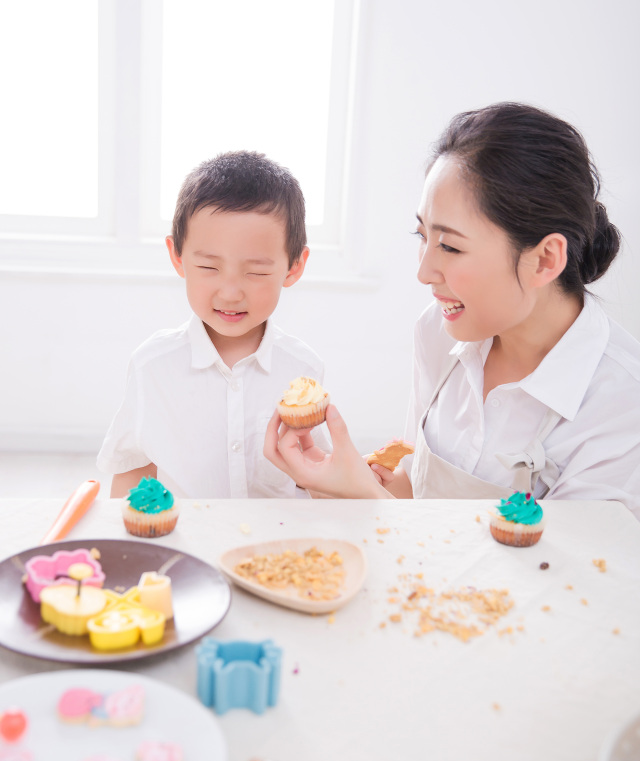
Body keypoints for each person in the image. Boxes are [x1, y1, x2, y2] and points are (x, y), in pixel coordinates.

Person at [264, 103, 640, 517]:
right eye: (422, 235)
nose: (424, 272)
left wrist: (364, 499)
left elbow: (566, 575)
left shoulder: (621, 400)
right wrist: (349, 484)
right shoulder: (438, 331)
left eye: (450, 246)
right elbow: (419, 500)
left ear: (546, 259)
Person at [98, 150, 328, 499]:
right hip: (185, 543)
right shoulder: (152, 366)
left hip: (274, 547)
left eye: (256, 272)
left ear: (294, 267)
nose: (231, 292)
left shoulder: (303, 369)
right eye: (209, 268)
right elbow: (134, 469)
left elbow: (315, 475)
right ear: (178, 257)